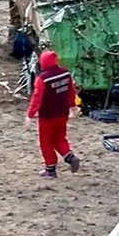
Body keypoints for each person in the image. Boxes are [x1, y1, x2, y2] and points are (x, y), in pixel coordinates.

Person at [26, 49, 81, 178]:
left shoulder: (42, 79)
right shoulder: (65, 74)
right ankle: (70, 157)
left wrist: (30, 114)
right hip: (62, 113)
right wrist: (72, 106)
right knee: (59, 138)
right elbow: (71, 91)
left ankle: (50, 169)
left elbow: (36, 98)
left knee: (46, 142)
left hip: (47, 116)